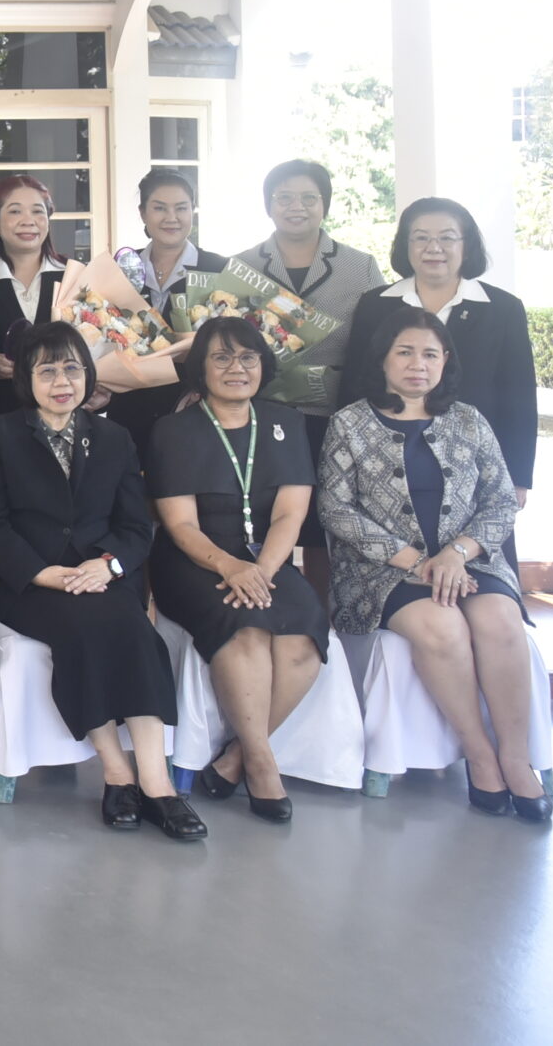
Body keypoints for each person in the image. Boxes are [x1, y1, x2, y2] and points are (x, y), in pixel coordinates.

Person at [0, 321, 202, 840]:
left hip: (100, 575)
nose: (62, 382)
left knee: (137, 630)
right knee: (86, 625)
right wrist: (43, 572)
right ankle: (116, 771)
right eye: (47, 370)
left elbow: (135, 527)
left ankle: (156, 783)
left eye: (72, 369)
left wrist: (108, 566)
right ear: (26, 379)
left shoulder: (114, 438)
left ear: (89, 374)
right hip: (25, 582)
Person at [319, 303, 547, 822]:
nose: (417, 364)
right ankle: (480, 755)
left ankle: (516, 758)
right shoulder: (349, 423)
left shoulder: (469, 420)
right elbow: (335, 508)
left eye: (429, 354)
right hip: (380, 571)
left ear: (445, 361)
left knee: (501, 620)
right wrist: (419, 562)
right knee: (443, 627)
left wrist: (457, 553)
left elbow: (501, 500)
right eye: (404, 352)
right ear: (382, 359)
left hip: (468, 562)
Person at [145, 317, 328, 822]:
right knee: (246, 630)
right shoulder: (174, 430)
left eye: (248, 357)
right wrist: (231, 567)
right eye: (221, 358)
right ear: (201, 369)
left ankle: (236, 757)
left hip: (268, 557)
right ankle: (263, 766)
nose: (236, 368)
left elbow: (291, 513)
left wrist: (262, 570)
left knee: (302, 636)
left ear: (263, 365)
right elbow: (180, 524)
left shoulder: (286, 422)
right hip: (196, 560)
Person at [344, 198, 538, 521]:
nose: (433, 248)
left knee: (475, 547)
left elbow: (519, 395)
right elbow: (355, 383)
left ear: (467, 245)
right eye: (420, 237)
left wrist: (517, 475)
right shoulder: (375, 305)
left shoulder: (503, 309)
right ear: (405, 245)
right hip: (388, 462)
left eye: (447, 237)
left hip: (477, 465)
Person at [231, 159, 386, 446]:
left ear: (324, 205)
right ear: (268, 206)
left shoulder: (360, 267)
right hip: (258, 408)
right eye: (284, 198)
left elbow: (383, 341)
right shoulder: (242, 266)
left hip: (338, 411)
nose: (296, 207)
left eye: (309, 198)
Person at [107, 168, 225, 455]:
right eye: (159, 208)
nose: (171, 218)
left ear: (192, 211)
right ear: (143, 213)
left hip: (195, 410)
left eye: (181, 208)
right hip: (128, 410)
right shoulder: (121, 266)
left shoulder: (218, 269)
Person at [0, 174, 69, 438]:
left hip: (64, 416)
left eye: (37, 211)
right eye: (15, 211)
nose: (28, 220)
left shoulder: (74, 276)